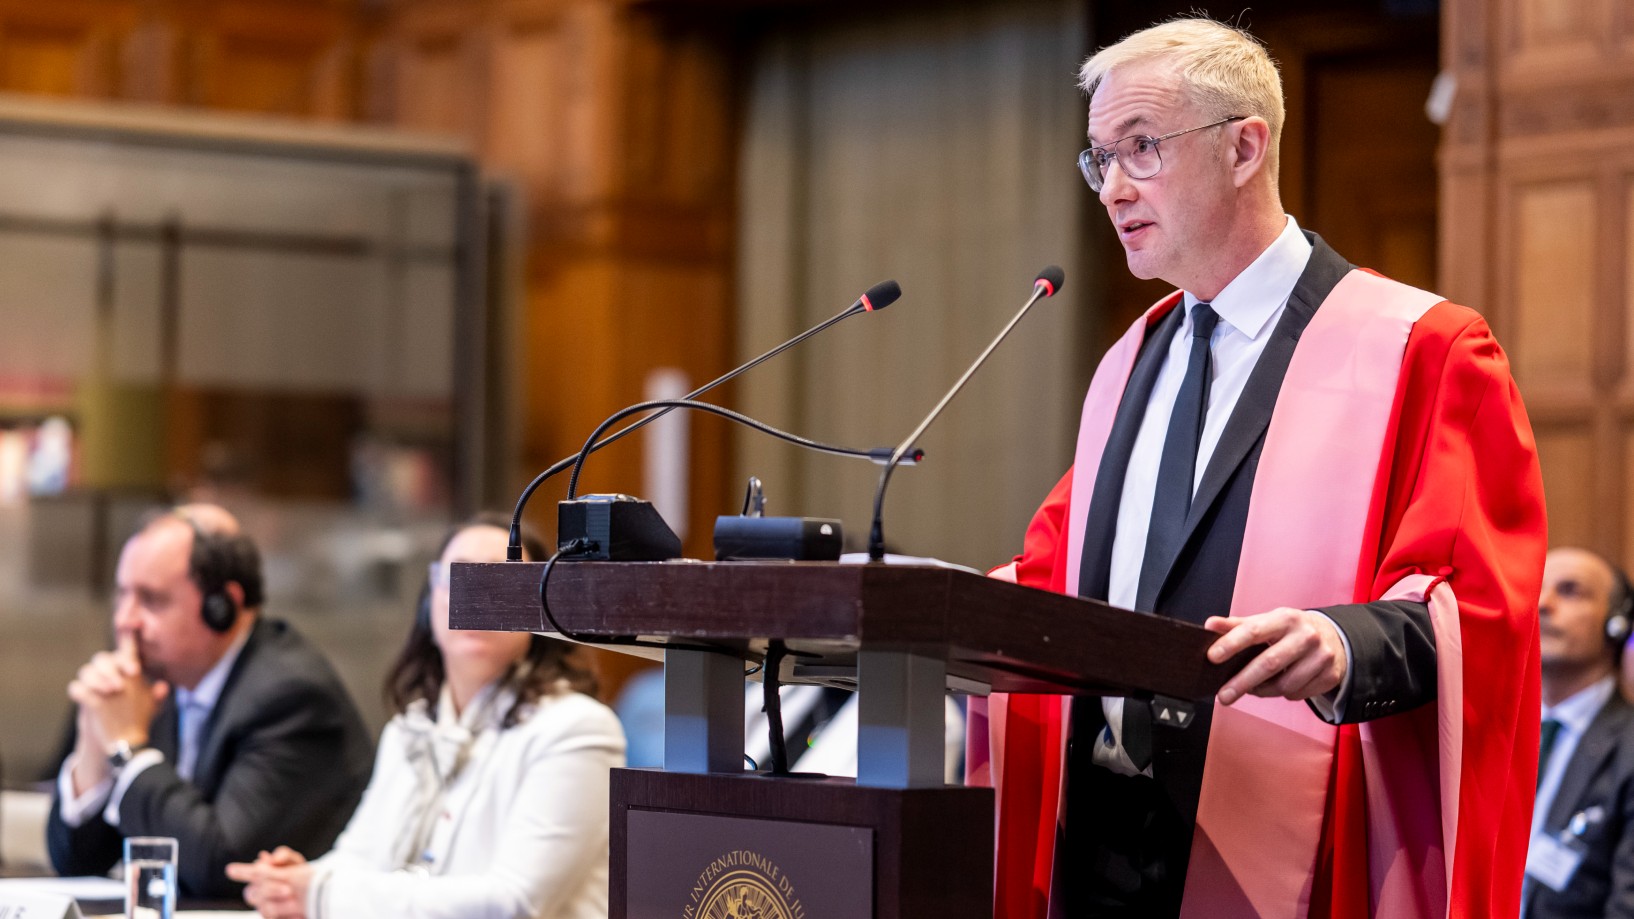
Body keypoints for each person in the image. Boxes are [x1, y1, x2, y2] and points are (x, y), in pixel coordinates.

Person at [967, 17, 1547, 919]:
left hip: (1289, 851)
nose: (1113, 187)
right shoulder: (1132, 360)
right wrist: (910, 606)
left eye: (1141, 148)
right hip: (1100, 843)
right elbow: (1059, 574)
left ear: (1245, 147)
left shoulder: (1419, 348)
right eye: (1100, 158)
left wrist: (1344, 644)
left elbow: (1479, 604)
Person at [227, 515, 625, 919]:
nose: (478, 596)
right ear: (428, 604)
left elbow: (513, 904)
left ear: (541, 611)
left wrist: (322, 894)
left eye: (501, 578)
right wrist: (298, 881)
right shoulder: (411, 728)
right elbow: (359, 857)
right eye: (459, 577)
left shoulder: (576, 730)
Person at [46, 504, 373, 899]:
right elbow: (76, 861)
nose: (125, 621)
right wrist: (93, 743)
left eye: (151, 600)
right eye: (123, 595)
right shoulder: (155, 682)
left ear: (221, 607)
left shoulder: (291, 697)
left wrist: (128, 750)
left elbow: (220, 867)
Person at [1524, 547, 1634, 918]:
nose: (1542, 604)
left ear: (1617, 623)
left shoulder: (1629, 747)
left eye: (1570, 591)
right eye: (1536, 590)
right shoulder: (1489, 734)